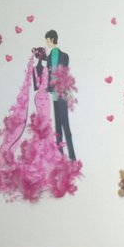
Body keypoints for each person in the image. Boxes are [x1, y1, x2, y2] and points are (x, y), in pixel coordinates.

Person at [44, 29, 76, 160]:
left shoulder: (64, 56)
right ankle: (60, 155)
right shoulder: (48, 58)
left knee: (65, 126)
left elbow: (63, 74)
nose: (47, 43)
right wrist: (48, 87)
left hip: (62, 93)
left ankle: (72, 157)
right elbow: (48, 75)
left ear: (52, 39)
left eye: (47, 40)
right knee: (57, 126)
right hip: (54, 94)